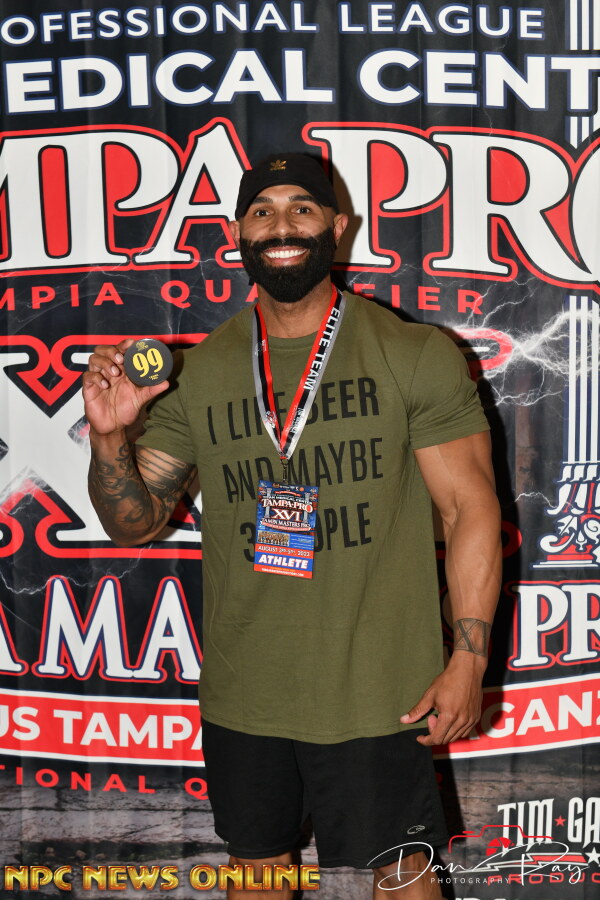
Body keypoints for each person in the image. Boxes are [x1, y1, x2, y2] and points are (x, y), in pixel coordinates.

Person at [83, 153, 502, 899]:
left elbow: (468, 509)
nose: (282, 226)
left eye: (302, 208)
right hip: (248, 689)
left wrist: (468, 659)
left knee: (404, 873)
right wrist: (112, 436)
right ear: (238, 234)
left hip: (382, 686)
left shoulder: (412, 354)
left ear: (337, 228)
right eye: (262, 210)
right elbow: (133, 523)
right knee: (257, 872)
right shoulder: (200, 371)